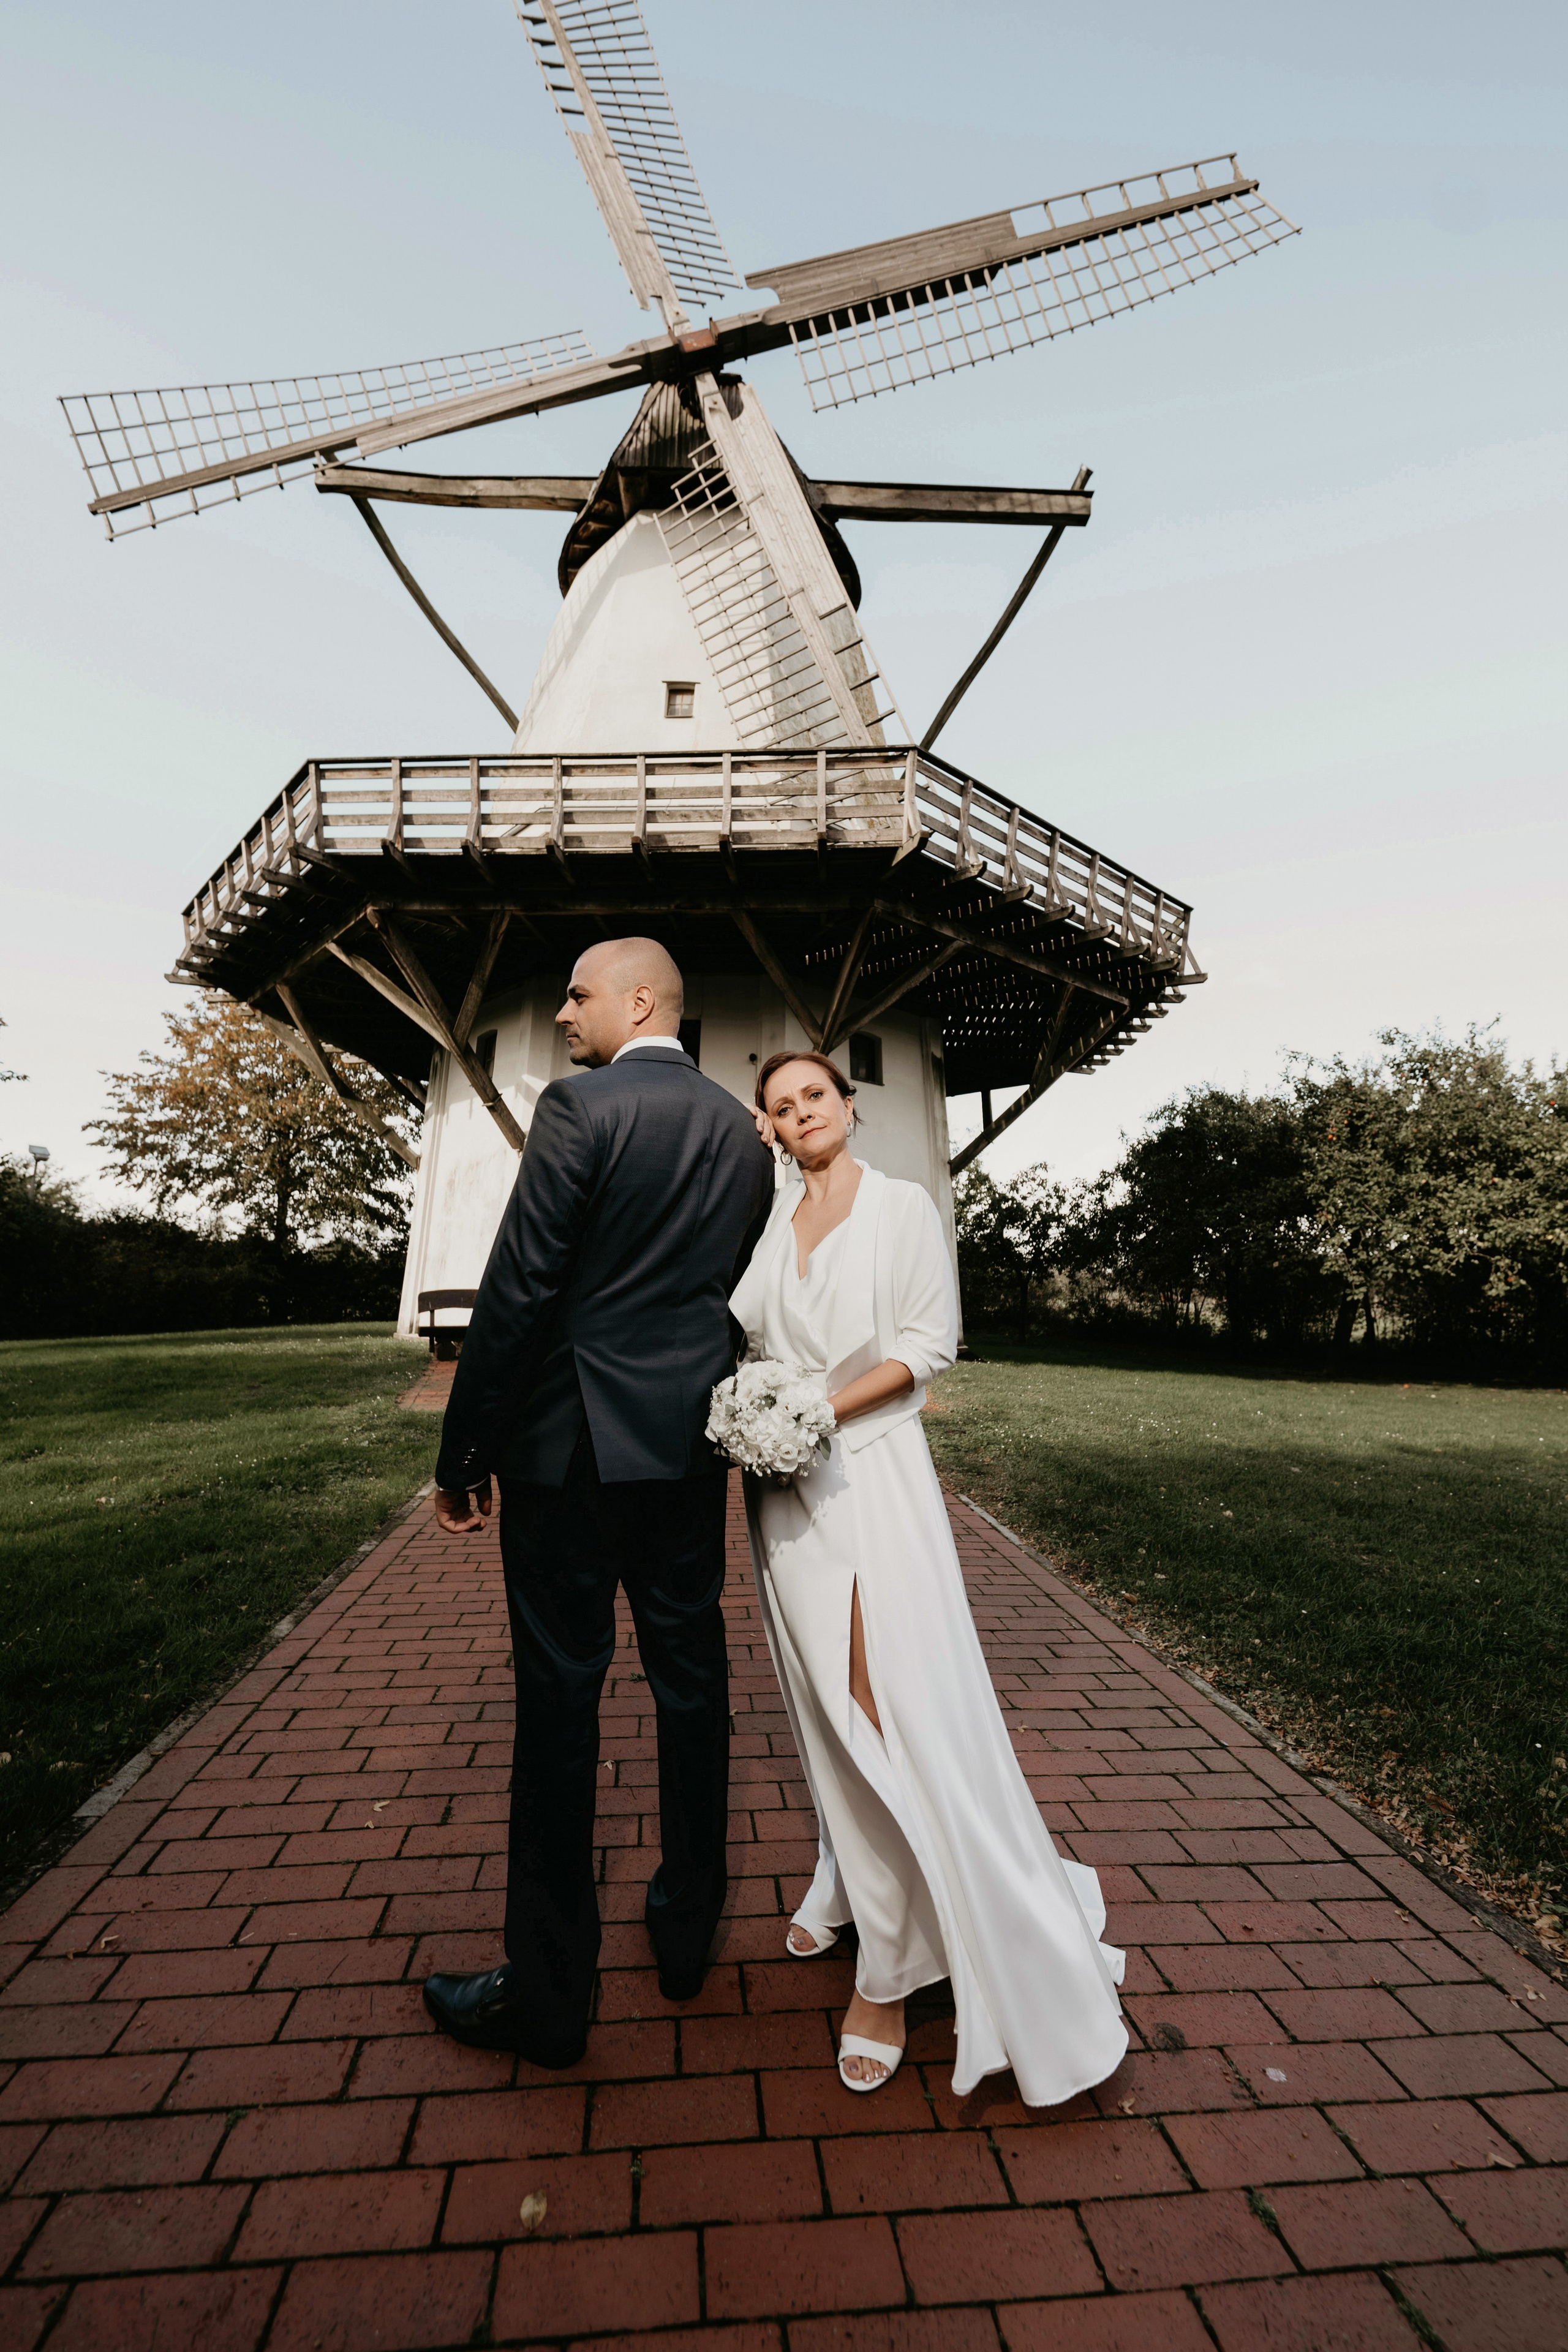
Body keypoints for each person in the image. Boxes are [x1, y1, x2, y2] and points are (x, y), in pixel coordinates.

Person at [734, 1050, 1128, 2098]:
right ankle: (862, 1884)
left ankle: (895, 1970)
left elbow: (928, 1344)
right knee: (824, 1711)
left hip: (867, 1483)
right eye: (780, 1105)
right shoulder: (772, 1223)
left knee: (878, 1707)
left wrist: (818, 1410)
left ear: (851, 1107)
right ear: (768, 1128)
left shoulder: (901, 1206)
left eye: (815, 1094)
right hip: (781, 1496)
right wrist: (756, 1413)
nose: (800, 1112)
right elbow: (756, 1346)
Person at [423, 938, 775, 2069]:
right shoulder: (741, 1133)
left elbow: (522, 1287)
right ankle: (685, 1934)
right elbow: (714, 1286)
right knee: (690, 1684)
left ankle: (551, 1996)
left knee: (561, 1703)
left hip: (570, 1451)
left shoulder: (581, 1110)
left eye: (577, 994)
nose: (564, 1012)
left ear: (638, 1001)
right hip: (683, 1451)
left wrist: (464, 1450)